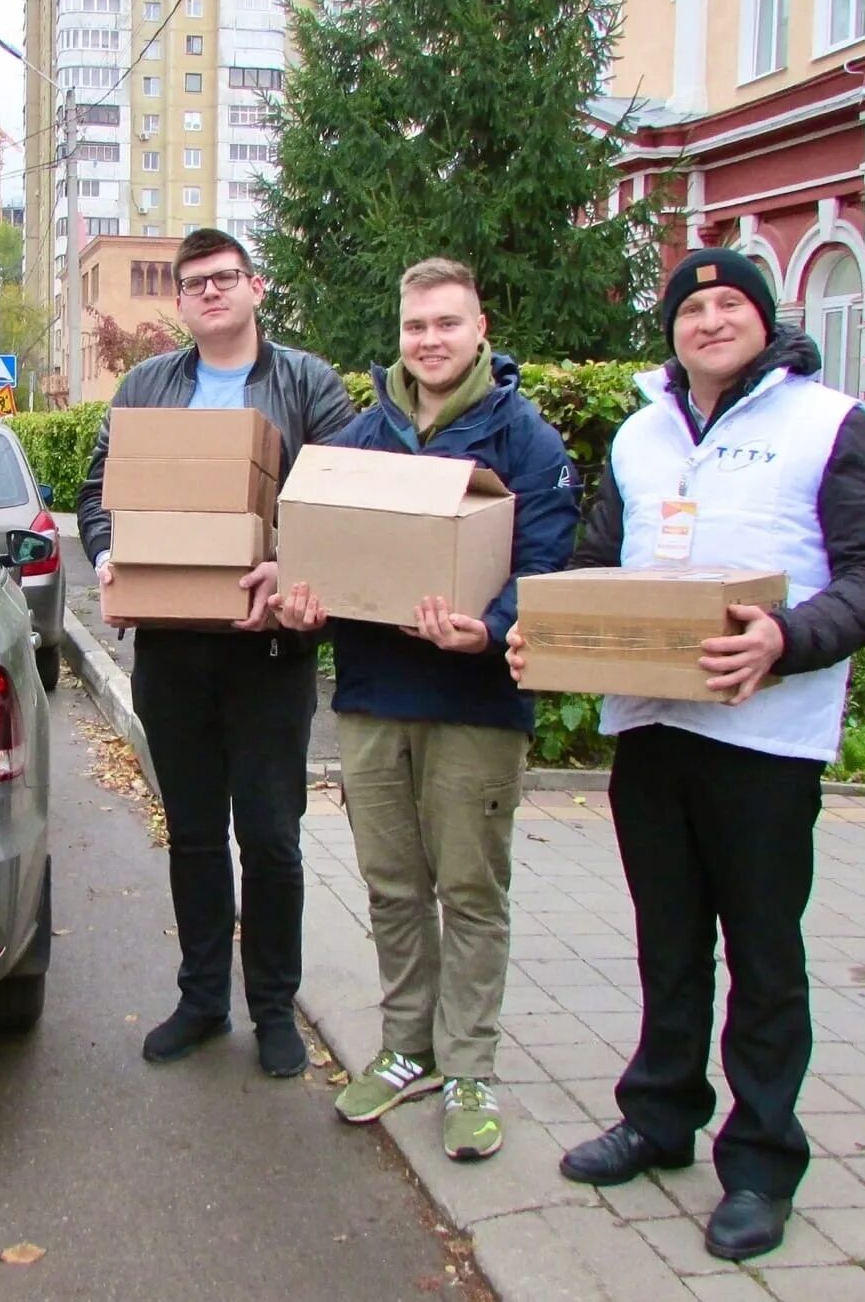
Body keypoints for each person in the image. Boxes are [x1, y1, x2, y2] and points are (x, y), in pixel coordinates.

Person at [506, 247, 865, 1260]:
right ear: (673, 330)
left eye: (731, 304)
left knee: (765, 956)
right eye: (693, 308)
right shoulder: (644, 434)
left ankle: (762, 1162)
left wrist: (785, 639)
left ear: (764, 322)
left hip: (767, 738)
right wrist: (544, 631)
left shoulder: (829, 425)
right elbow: (600, 566)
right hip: (652, 726)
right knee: (668, 938)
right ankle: (660, 1115)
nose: (710, 320)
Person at [270, 258, 578, 1159]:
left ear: (480, 328)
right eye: (415, 327)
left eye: (447, 324)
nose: (430, 341)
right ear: (398, 334)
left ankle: (471, 1064)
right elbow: (317, 553)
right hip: (372, 700)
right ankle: (409, 1048)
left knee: (471, 889)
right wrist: (303, 607)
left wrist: (492, 629)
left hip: (476, 703)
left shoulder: (529, 443)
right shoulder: (361, 439)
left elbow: (550, 568)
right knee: (394, 886)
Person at [78, 226, 355, 1078]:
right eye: (193, 282)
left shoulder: (307, 385)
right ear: (181, 299)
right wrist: (106, 553)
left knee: (270, 837)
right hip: (170, 648)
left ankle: (274, 1007)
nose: (209, 292)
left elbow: (345, 500)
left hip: (267, 649)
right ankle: (203, 1000)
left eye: (224, 278)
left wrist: (295, 568)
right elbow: (98, 492)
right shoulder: (148, 385)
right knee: (194, 834)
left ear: (256, 286)